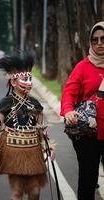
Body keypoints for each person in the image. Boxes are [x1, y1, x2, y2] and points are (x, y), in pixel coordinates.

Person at [0, 50, 55, 200]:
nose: (28, 82)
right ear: (13, 82)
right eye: (24, 78)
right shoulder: (5, 104)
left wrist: (49, 148)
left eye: (29, 78)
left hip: (33, 152)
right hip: (12, 150)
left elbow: (41, 130)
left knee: (35, 192)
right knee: (17, 193)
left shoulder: (35, 104)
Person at [60, 21, 104, 200]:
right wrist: (68, 110)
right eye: (95, 40)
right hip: (88, 133)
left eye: (103, 39)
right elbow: (68, 92)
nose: (99, 43)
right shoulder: (83, 67)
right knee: (87, 180)